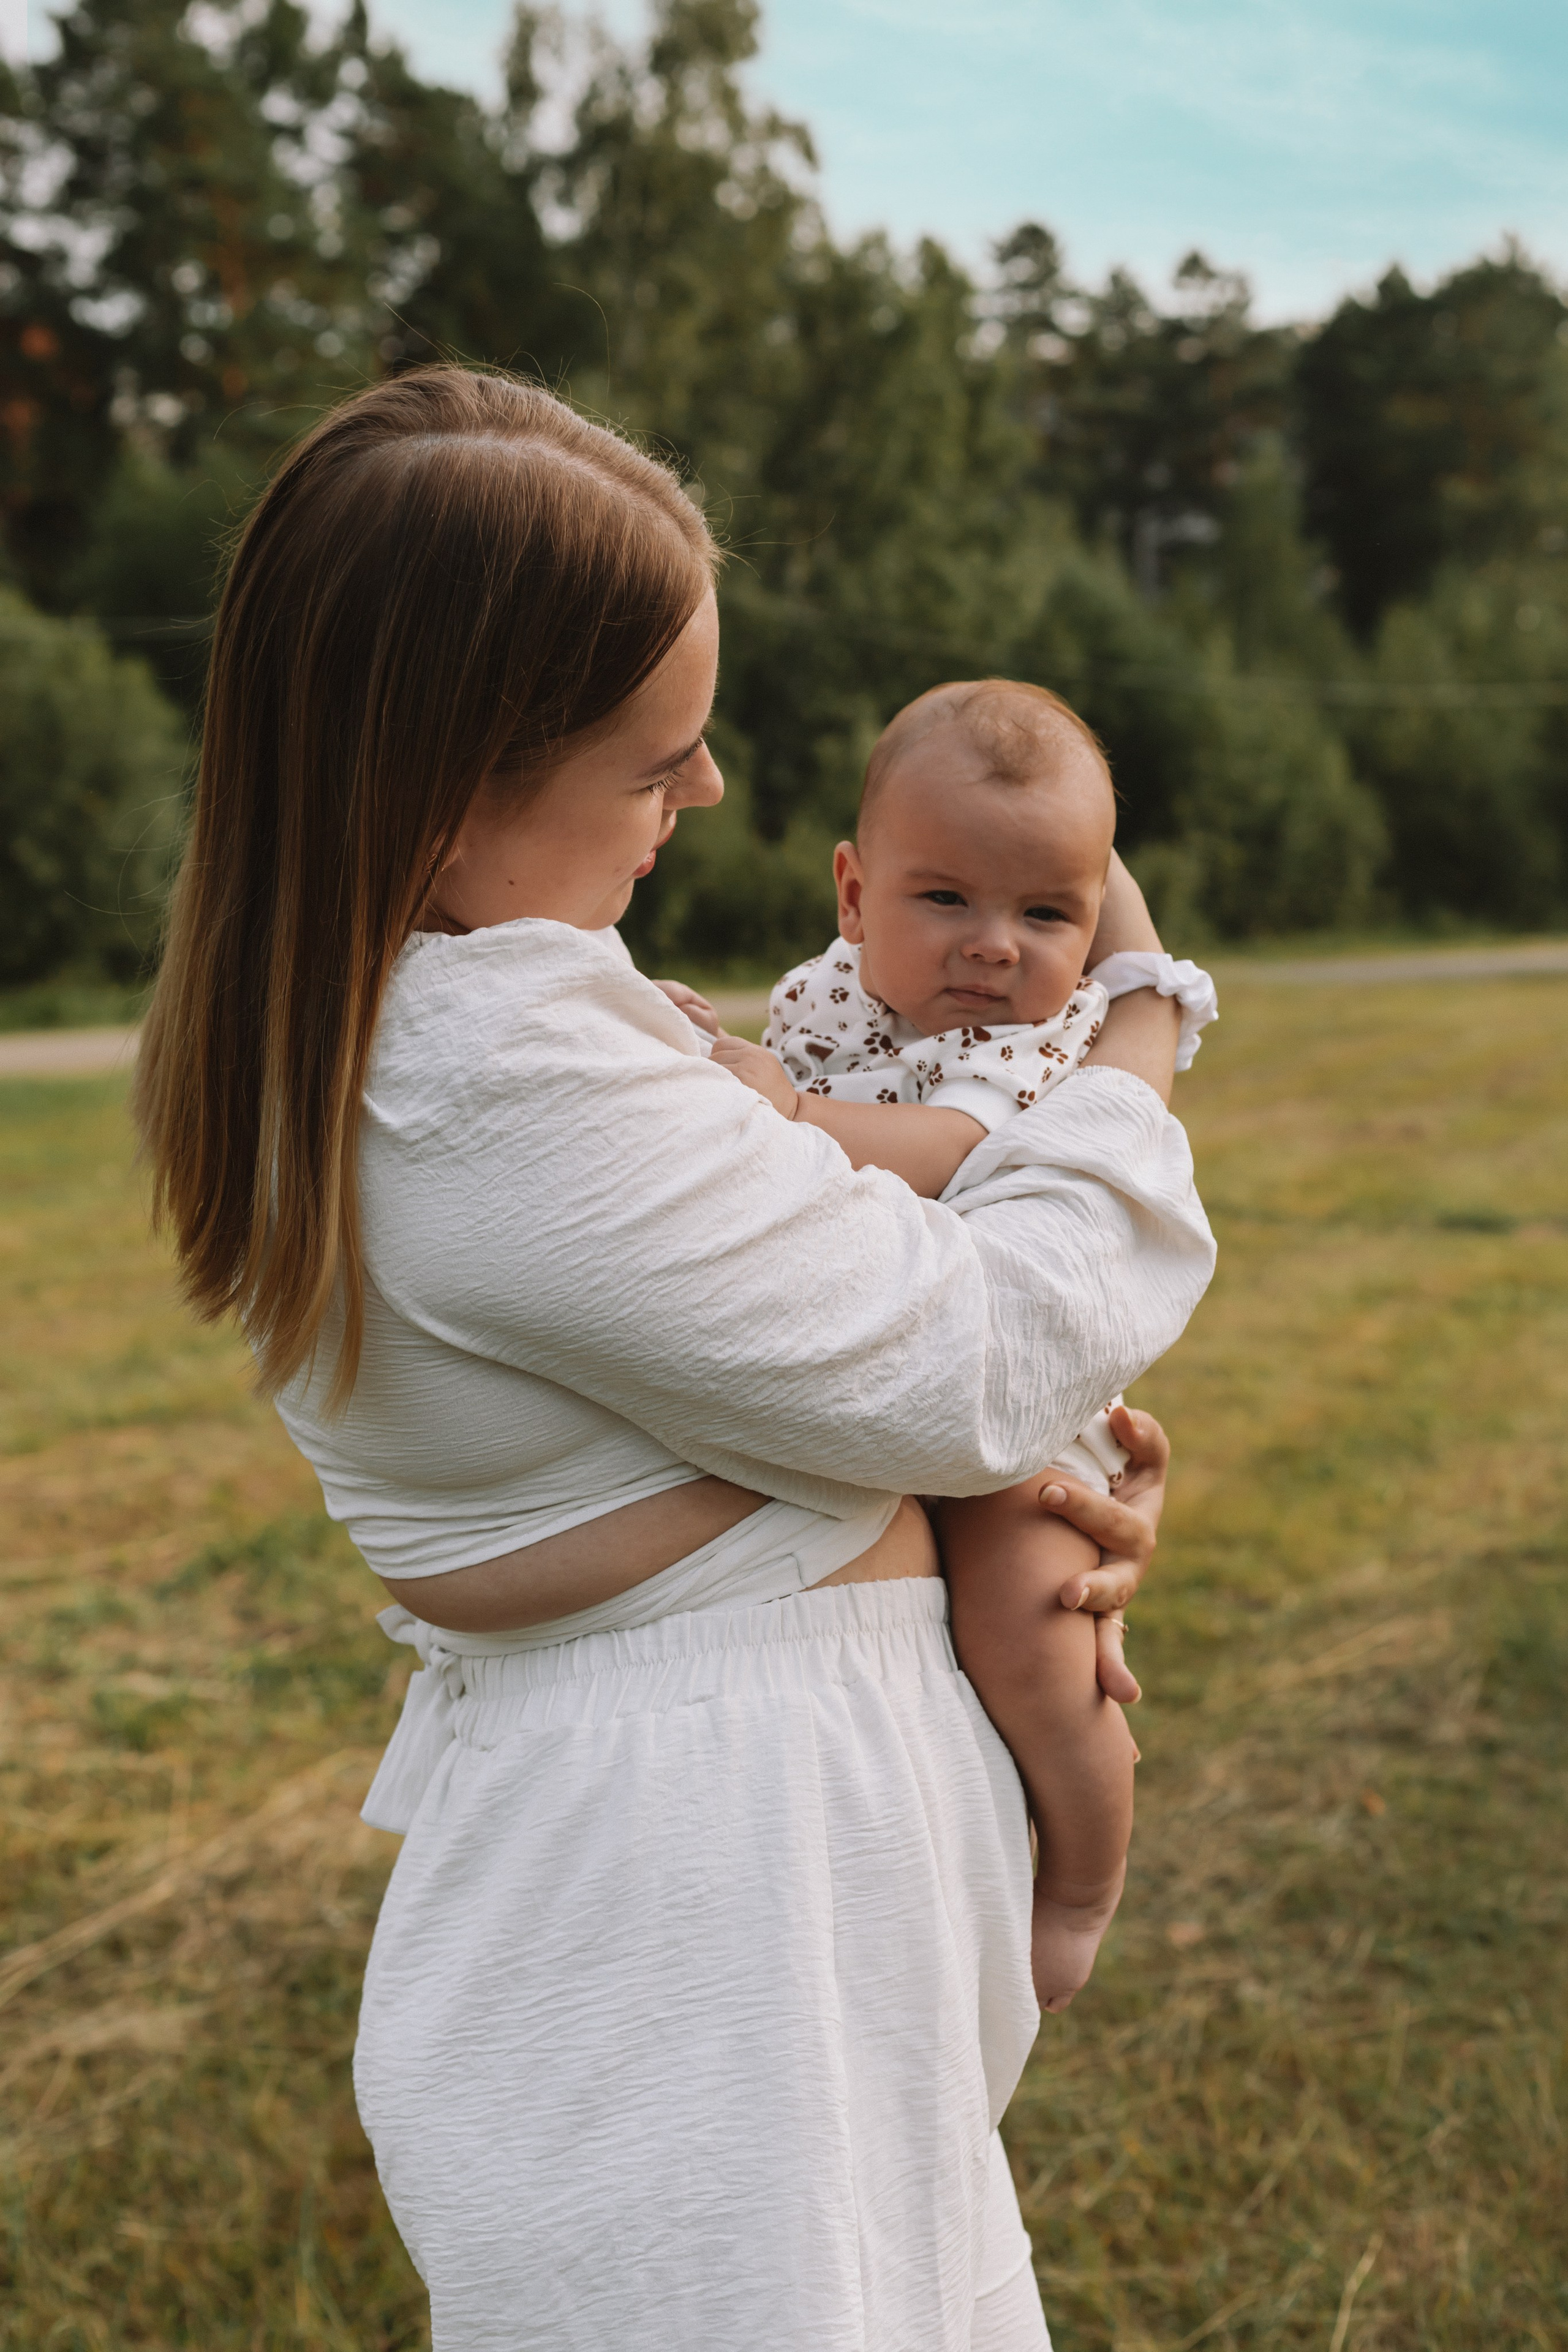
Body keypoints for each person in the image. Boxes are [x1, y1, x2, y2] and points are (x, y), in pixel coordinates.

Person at [134, 365, 1216, 2352]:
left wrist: (987, 1473)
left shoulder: (420, 1035)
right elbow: (967, 1348)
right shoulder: (491, 1068)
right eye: (654, 761)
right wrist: (1132, 1041)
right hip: (711, 1933)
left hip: (750, 1901)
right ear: (452, 779)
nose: (704, 793)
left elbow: (890, 1368)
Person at [666, 677, 1217, 2016]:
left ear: (1088, 933)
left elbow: (944, 1151)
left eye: (1044, 914)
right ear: (852, 898)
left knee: (1030, 1629)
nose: (990, 945)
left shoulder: (1031, 1045)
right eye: (944, 900)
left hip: (1015, 1388)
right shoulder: (824, 1003)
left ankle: (1081, 1878)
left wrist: (781, 1107)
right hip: (870, 1370)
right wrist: (719, 1057)